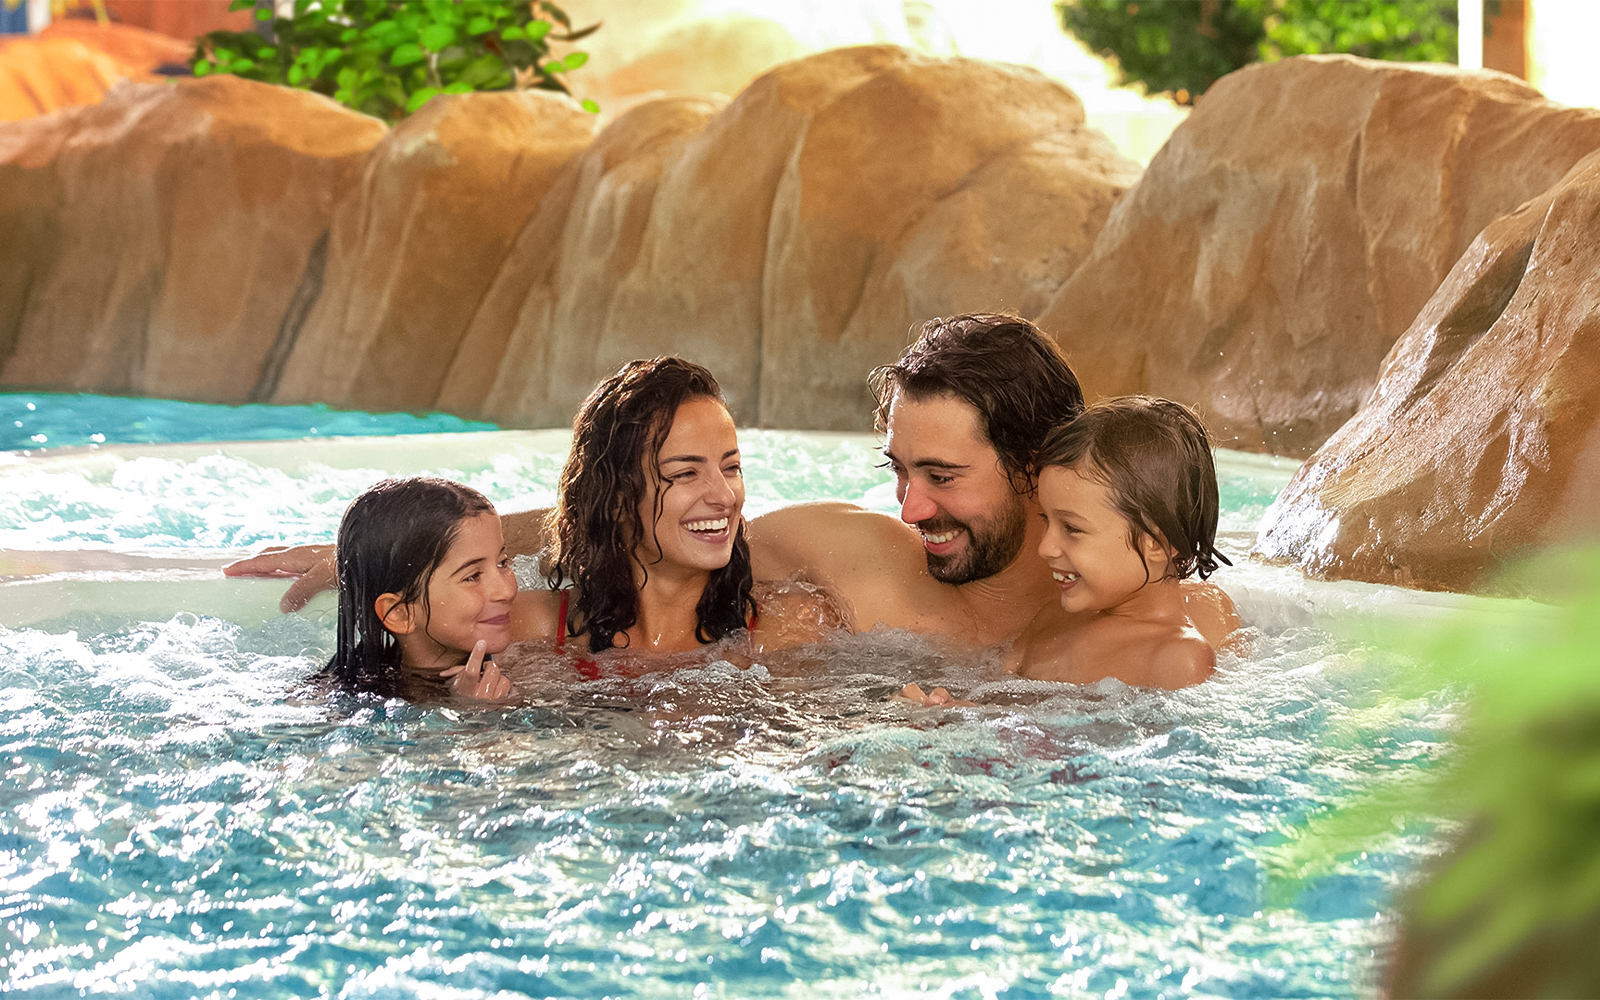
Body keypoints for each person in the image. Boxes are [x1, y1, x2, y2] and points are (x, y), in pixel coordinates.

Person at [228, 314, 1234, 651]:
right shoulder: (857, 555)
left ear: (1033, 469)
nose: (909, 507)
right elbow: (624, 522)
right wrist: (396, 551)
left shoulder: (1152, 614)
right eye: (898, 473)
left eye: (941, 477)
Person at [509, 356, 840, 667]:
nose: (725, 496)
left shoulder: (784, 628)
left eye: (731, 467)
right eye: (685, 473)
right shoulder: (531, 629)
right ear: (616, 500)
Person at [1008, 396, 1233, 689]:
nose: (1045, 548)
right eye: (1046, 520)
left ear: (1155, 542)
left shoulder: (1177, 658)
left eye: (1072, 528)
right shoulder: (1052, 619)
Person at [320, 477, 516, 702]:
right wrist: (474, 717)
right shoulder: (361, 704)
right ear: (400, 613)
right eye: (472, 576)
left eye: (503, 563)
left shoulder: (523, 658)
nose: (506, 591)